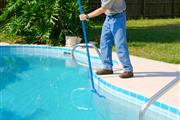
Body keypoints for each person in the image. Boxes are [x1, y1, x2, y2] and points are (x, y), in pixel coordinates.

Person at [79, 0, 133, 78]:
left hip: (118, 18)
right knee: (104, 43)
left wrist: (87, 16)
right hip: (108, 18)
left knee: (120, 44)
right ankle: (107, 67)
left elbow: (102, 9)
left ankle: (128, 70)